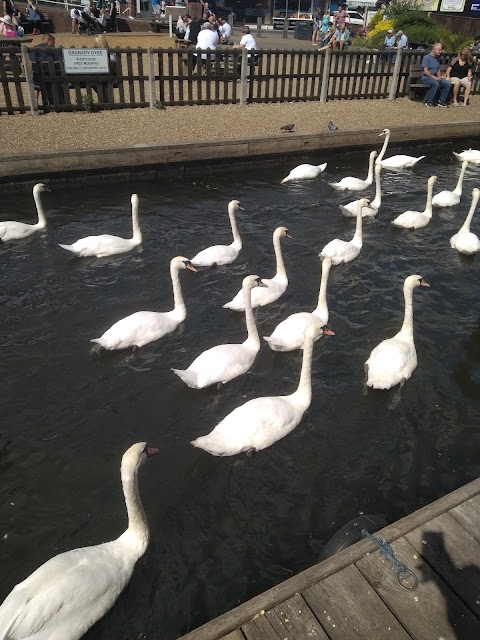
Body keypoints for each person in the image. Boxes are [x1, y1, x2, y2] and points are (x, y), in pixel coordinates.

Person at [421, 43, 452, 108]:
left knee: (448, 84)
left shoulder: (437, 59)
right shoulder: (427, 58)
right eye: (439, 50)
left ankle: (441, 100)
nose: (440, 52)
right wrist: (435, 78)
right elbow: (426, 71)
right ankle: (429, 101)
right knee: (436, 84)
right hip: (426, 77)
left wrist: (439, 77)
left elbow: (437, 69)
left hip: (435, 77)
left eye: (441, 50)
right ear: (434, 49)